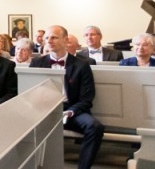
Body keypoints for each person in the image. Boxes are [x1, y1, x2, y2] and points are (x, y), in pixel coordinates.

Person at [31, 25, 104, 169]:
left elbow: (87, 98)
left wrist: (70, 112)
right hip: (44, 111)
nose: (49, 41)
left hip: (71, 111)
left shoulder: (82, 65)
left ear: (65, 40)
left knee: (95, 127)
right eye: (47, 38)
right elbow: (31, 93)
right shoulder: (37, 63)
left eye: (54, 37)